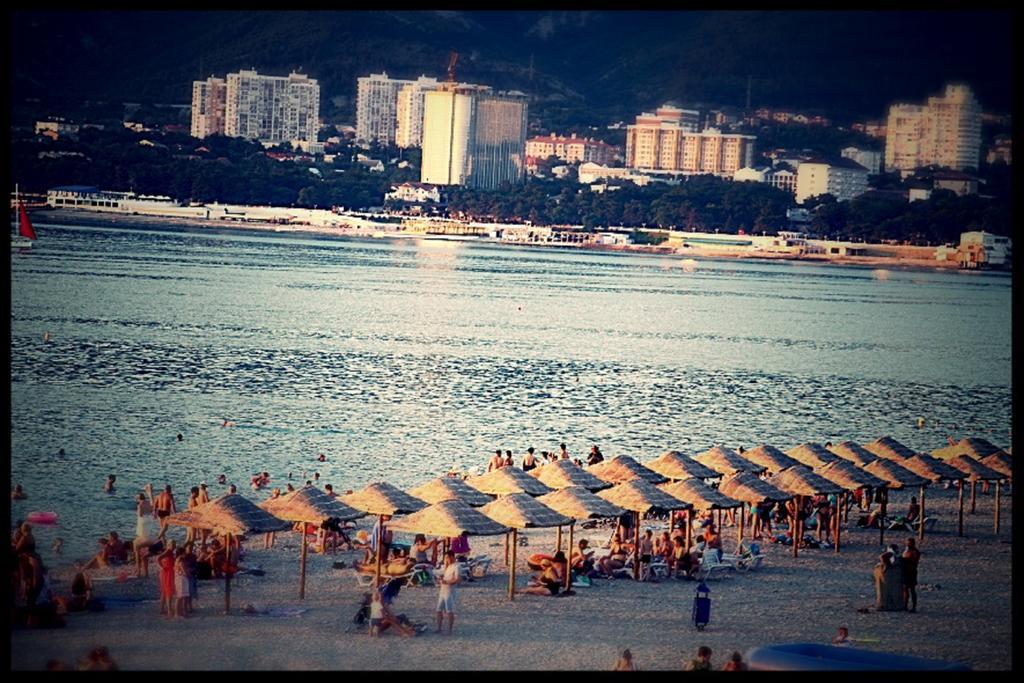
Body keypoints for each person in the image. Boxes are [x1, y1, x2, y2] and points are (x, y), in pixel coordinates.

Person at [435, 550, 460, 634]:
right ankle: (439, 628)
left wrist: (447, 582)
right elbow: (444, 575)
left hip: (450, 591)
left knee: (449, 610)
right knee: (438, 610)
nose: (446, 559)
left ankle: (450, 630)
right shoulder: (448, 566)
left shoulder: (457, 566)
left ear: (452, 557)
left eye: (447, 558)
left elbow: (457, 579)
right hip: (443, 590)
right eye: (445, 558)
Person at [156, 541, 177, 618]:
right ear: (168, 545)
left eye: (175, 544)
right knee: (168, 592)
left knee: (164, 591)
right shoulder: (168, 551)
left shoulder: (170, 551)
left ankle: (162, 609)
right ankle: (169, 611)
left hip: (166, 572)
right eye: (173, 544)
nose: (174, 546)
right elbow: (158, 558)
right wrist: (161, 567)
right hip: (167, 572)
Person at [902, 537, 921, 612]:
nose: (908, 544)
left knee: (912, 589)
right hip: (906, 571)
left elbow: (912, 561)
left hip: (911, 571)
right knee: (905, 589)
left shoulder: (915, 551)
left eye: (909, 543)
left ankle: (913, 606)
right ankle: (905, 605)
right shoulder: (907, 550)